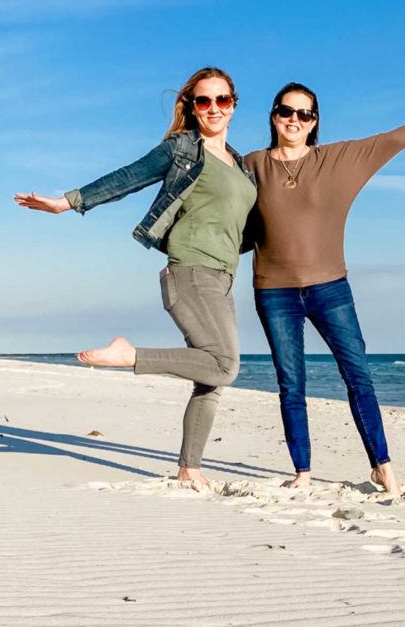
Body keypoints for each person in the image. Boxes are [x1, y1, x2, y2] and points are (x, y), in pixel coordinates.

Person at [14, 66, 257, 488]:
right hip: (191, 270)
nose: (213, 108)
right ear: (192, 107)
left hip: (223, 276)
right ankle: (129, 355)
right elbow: (129, 177)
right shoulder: (183, 149)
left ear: (234, 105)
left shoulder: (240, 164)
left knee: (210, 378)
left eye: (222, 100)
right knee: (225, 365)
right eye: (204, 100)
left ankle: (189, 469)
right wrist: (67, 202)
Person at [246, 82, 405, 496]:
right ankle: (302, 471)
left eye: (304, 114)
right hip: (274, 291)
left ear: (314, 122)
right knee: (291, 383)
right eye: (287, 111)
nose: (294, 120)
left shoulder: (337, 159)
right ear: (273, 115)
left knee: (358, 377)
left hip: (330, 289)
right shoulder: (251, 164)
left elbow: (392, 141)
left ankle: (382, 466)